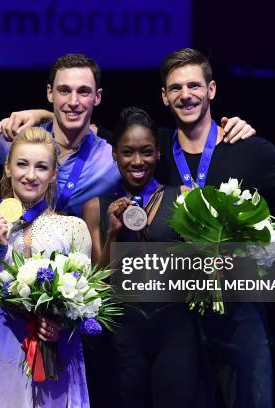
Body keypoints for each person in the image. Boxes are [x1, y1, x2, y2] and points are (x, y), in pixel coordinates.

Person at [0, 54, 256, 217]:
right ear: (49, 93)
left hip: (89, 294)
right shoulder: (14, 136)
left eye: (82, 92)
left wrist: (233, 127)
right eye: (63, 91)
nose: (72, 101)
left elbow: (160, 151)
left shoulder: (113, 153)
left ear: (97, 97)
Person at [155, 48, 275, 408]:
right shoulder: (153, 150)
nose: (185, 94)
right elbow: (89, 130)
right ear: (164, 96)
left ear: (212, 90)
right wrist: (40, 113)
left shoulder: (249, 149)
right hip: (177, 321)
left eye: (194, 85)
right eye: (175, 88)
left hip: (241, 314)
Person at [83, 107, 207, 408]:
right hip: (122, 338)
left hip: (177, 335)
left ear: (158, 153)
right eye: (127, 152)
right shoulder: (96, 207)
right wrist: (113, 233)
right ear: (114, 154)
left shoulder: (185, 197)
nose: (137, 162)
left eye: (146, 152)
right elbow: (96, 283)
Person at [0, 127, 93, 408]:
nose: (30, 175)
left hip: (58, 350)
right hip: (8, 346)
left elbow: (85, 303)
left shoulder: (74, 228)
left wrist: (61, 324)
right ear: (8, 168)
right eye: (22, 164)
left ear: (52, 175)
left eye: (41, 167)